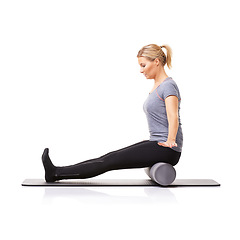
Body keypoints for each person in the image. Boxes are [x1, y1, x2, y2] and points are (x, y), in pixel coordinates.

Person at [42, 44, 183, 182]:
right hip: (156, 143)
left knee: (109, 161)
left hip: (168, 149)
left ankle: (55, 173)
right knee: (109, 157)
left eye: (143, 65)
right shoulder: (157, 86)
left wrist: (171, 140)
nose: (141, 70)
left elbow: (173, 116)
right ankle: (56, 172)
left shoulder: (168, 85)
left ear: (156, 62)